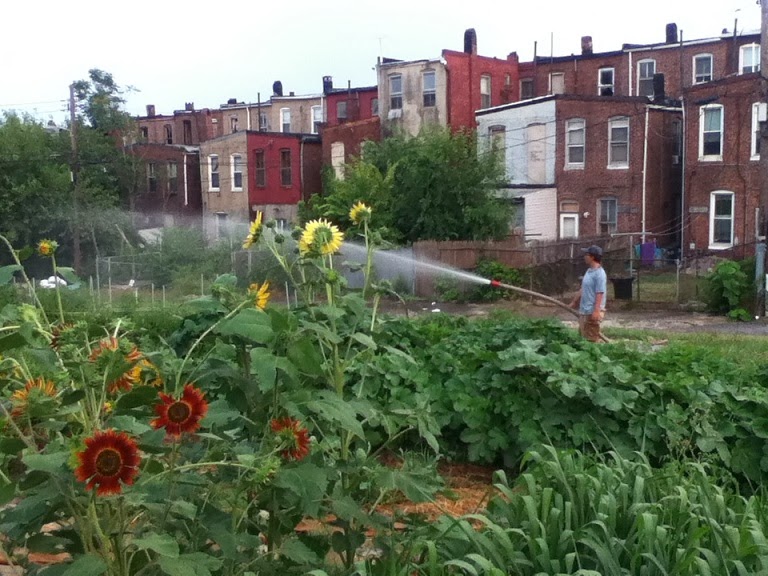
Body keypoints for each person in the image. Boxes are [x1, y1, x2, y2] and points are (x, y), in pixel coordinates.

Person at [569, 245, 607, 343]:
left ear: (592, 257)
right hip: (584, 310)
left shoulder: (600, 274)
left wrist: (596, 311)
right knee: (582, 338)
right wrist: (574, 302)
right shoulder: (589, 271)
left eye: (587, 254)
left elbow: (600, 293)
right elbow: (583, 288)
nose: (584, 257)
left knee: (591, 340)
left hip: (592, 311)